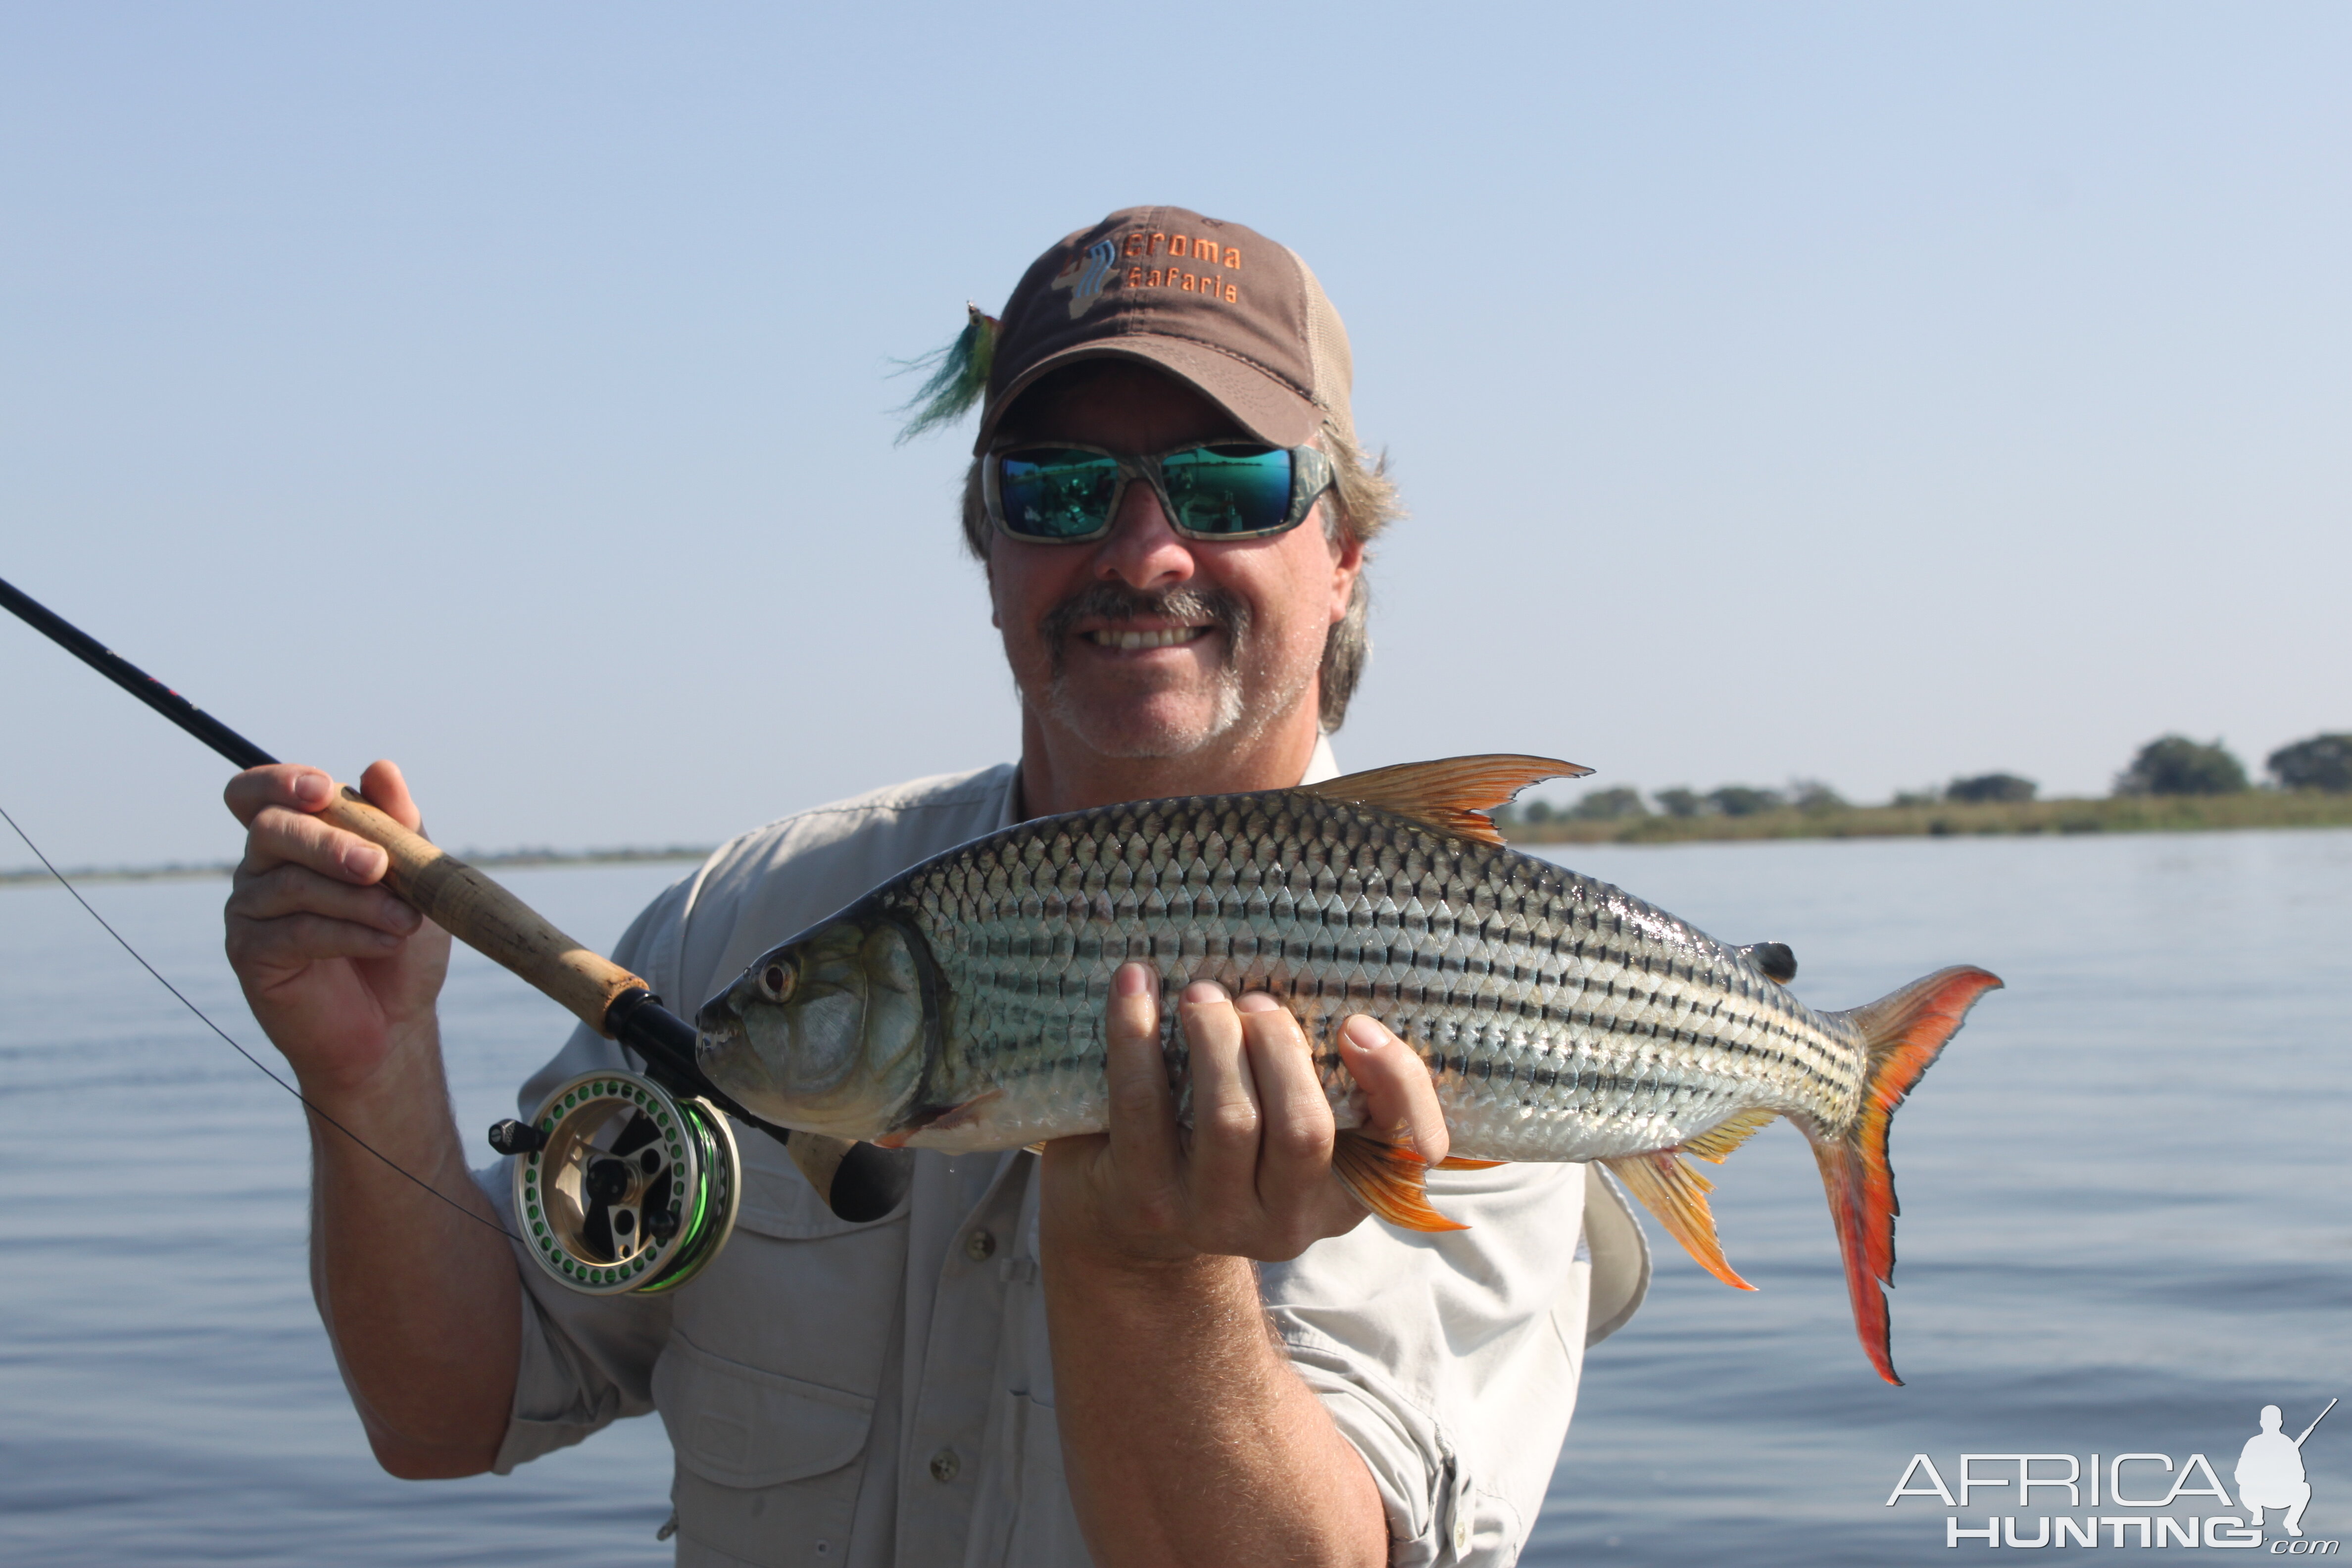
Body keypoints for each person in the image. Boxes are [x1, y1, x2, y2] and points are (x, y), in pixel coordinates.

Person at [221, 205, 1649, 1568]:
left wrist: (1148, 1276)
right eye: (1057, 488)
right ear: (990, 552)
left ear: (1341, 554)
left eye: (1227, 482)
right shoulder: (759, 916)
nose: (1142, 549)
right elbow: (445, 1411)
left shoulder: (1487, 994)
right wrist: (370, 1070)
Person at [2236, 1404, 2314, 1537]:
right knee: (2244, 1488)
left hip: (2282, 1495)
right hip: (2257, 1495)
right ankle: (2257, 1513)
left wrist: (2281, 1473)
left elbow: (2300, 1476)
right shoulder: (2253, 1443)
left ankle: (2291, 1522)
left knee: (2305, 1488)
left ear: (2280, 1423)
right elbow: (2240, 1475)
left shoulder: (2288, 1444)